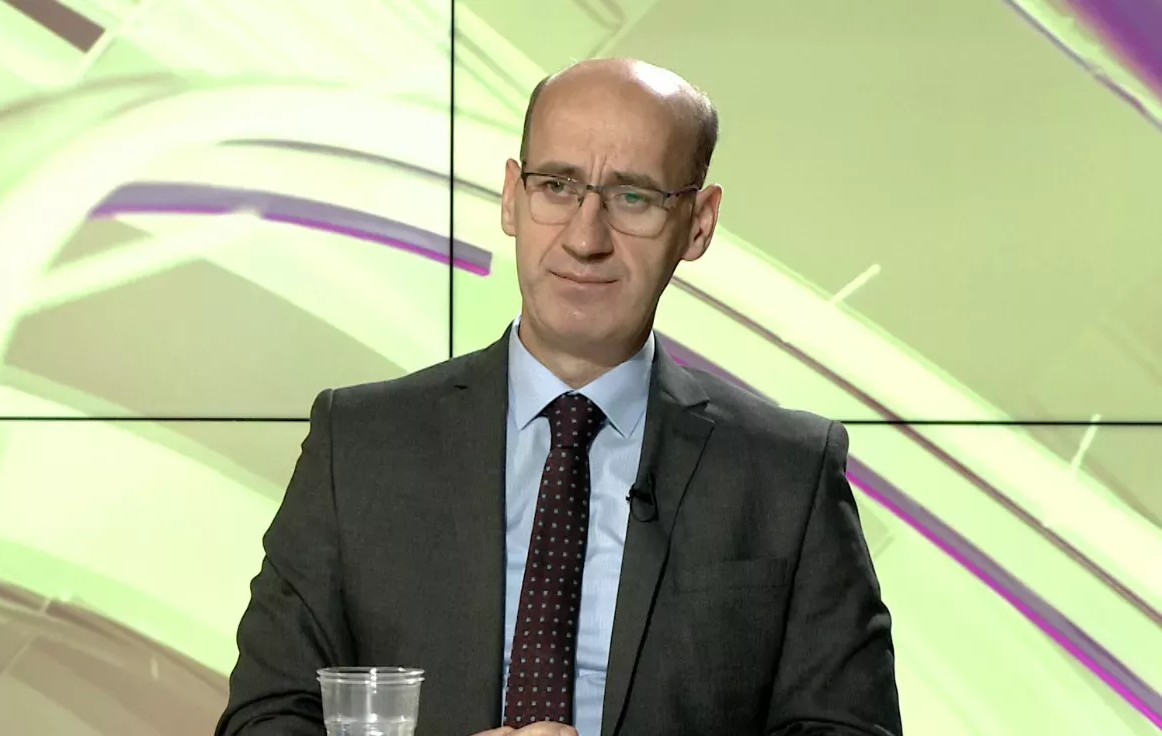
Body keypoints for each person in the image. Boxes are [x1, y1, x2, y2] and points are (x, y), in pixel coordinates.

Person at [215, 57, 901, 736]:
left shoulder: (788, 473)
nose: (584, 238)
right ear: (512, 198)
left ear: (698, 223)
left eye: (633, 198)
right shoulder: (359, 443)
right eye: (557, 186)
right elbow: (264, 718)